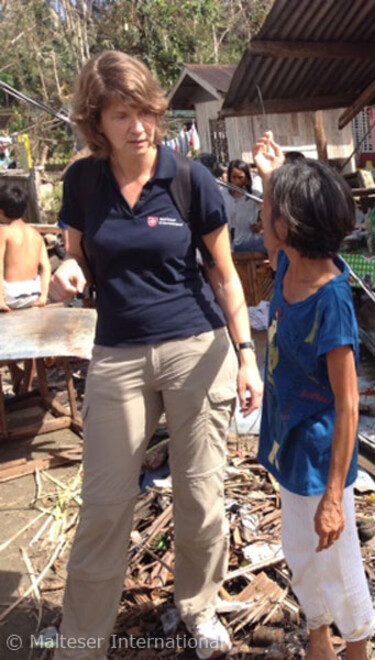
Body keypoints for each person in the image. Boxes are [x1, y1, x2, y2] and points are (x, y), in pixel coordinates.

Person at [49, 51, 263, 660]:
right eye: (122, 115)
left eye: (145, 111)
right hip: (117, 354)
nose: (138, 126)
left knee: (200, 494)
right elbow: (78, 259)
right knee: (105, 503)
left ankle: (197, 606)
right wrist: (66, 270)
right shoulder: (82, 181)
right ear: (98, 121)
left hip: (197, 349)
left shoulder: (189, 178)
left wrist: (246, 356)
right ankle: (81, 640)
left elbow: (225, 276)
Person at [253, 131, 375, 660]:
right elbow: (273, 219)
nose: (261, 220)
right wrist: (272, 176)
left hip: (322, 459)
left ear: (289, 227)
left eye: (269, 213)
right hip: (291, 444)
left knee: (338, 562)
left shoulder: (332, 301)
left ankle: (356, 647)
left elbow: (349, 403)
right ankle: (320, 640)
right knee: (301, 553)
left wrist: (333, 498)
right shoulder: (289, 266)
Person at [0, 181, 49, 311]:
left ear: (1, 211)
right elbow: (46, 266)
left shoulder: (4, 233)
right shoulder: (36, 235)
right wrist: (43, 296)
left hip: (11, 296)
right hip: (34, 294)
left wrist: (0, 300)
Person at [221, 159, 266, 254]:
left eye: (240, 178)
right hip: (236, 243)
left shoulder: (254, 196)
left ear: (247, 178)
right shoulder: (223, 196)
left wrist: (260, 223)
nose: (236, 181)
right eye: (233, 177)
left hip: (253, 240)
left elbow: (265, 210)